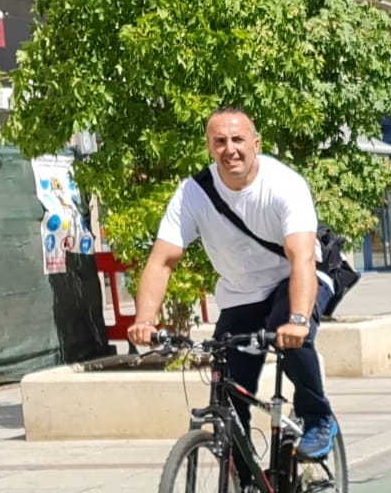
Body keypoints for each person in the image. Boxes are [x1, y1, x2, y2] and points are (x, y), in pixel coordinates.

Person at [128, 106, 339, 462]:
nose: (230, 149)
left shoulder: (283, 184)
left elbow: (301, 256)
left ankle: (317, 415)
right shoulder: (194, 193)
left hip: (296, 279)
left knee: (284, 331)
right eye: (220, 141)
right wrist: (145, 320)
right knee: (227, 390)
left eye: (238, 139)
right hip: (242, 294)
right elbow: (163, 260)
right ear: (210, 148)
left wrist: (299, 321)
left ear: (256, 144)